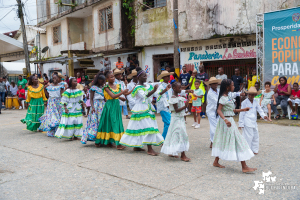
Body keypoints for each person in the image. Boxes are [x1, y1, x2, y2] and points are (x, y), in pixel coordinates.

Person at [212, 79, 256, 173]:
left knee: (223, 140)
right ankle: (244, 166)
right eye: (232, 85)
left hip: (229, 120)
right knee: (238, 140)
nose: (234, 87)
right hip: (226, 122)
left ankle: (216, 161)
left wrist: (243, 109)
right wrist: (225, 119)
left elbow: (232, 110)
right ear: (227, 87)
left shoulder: (228, 97)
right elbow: (219, 110)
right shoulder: (223, 98)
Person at [120, 70, 164, 156]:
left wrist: (162, 89)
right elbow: (144, 96)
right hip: (141, 108)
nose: (146, 77)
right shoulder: (137, 87)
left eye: (146, 75)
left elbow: (154, 92)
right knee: (148, 127)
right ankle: (150, 149)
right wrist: (154, 89)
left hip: (147, 108)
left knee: (138, 127)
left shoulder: (147, 85)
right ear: (138, 77)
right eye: (144, 76)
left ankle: (136, 146)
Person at [95, 71, 129, 149]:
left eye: (113, 76)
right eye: (111, 77)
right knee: (112, 122)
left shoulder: (117, 86)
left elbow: (123, 94)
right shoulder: (106, 87)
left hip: (116, 105)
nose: (113, 78)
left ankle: (109, 142)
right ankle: (118, 144)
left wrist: (132, 90)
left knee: (113, 122)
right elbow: (113, 96)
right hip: (109, 106)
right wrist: (122, 93)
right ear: (107, 79)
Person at [161, 82, 191, 161]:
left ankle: (172, 152)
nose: (180, 89)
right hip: (176, 118)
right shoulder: (173, 97)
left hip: (179, 118)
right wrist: (185, 106)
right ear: (174, 88)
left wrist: (188, 100)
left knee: (174, 134)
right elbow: (176, 110)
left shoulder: (178, 96)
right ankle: (183, 155)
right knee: (181, 134)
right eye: (179, 88)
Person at [239, 87, 269, 155]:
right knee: (248, 136)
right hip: (247, 121)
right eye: (249, 94)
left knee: (255, 135)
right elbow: (242, 113)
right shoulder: (244, 102)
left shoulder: (256, 102)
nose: (251, 96)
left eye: (252, 95)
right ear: (247, 94)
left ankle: (254, 150)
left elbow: (260, 110)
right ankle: (247, 150)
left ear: (255, 95)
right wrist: (241, 123)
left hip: (254, 121)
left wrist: (264, 116)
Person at [81, 74, 106, 144]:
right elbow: (91, 98)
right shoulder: (93, 87)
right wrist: (92, 107)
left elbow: (104, 98)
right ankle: (94, 137)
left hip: (102, 105)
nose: (103, 82)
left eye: (104, 81)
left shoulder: (103, 87)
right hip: (95, 105)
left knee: (101, 121)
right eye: (102, 80)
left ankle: (101, 138)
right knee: (95, 121)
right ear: (98, 80)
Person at [155, 71, 173, 139]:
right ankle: (164, 139)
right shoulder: (161, 86)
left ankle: (166, 139)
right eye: (166, 76)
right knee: (168, 123)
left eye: (168, 76)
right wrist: (165, 90)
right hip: (163, 107)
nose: (168, 77)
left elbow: (170, 95)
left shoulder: (169, 85)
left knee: (167, 123)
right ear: (163, 77)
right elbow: (158, 94)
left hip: (168, 106)